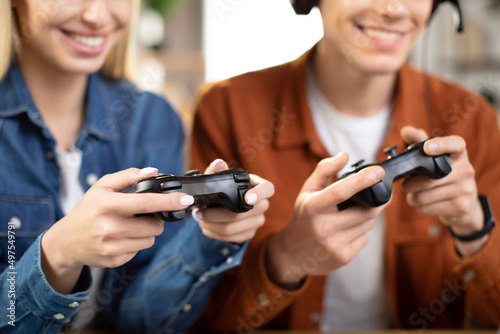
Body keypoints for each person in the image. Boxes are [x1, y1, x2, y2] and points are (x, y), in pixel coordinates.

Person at [190, 0, 500, 331]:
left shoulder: (470, 118)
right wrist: (285, 258)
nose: (394, 9)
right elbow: (194, 318)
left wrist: (472, 226)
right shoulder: (227, 109)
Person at [0, 1, 274, 333]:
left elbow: (139, 321)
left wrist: (208, 239)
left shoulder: (152, 119)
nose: (95, 16)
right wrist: (57, 255)